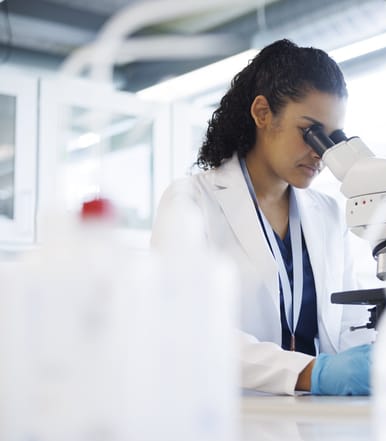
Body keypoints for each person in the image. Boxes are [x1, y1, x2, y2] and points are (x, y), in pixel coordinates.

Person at [151, 39, 374, 396]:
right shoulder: (191, 201)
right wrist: (312, 372)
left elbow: (348, 328)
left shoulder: (329, 213)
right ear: (262, 113)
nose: (322, 153)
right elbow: (186, 326)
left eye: (331, 139)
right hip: (229, 417)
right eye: (310, 132)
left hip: (315, 420)